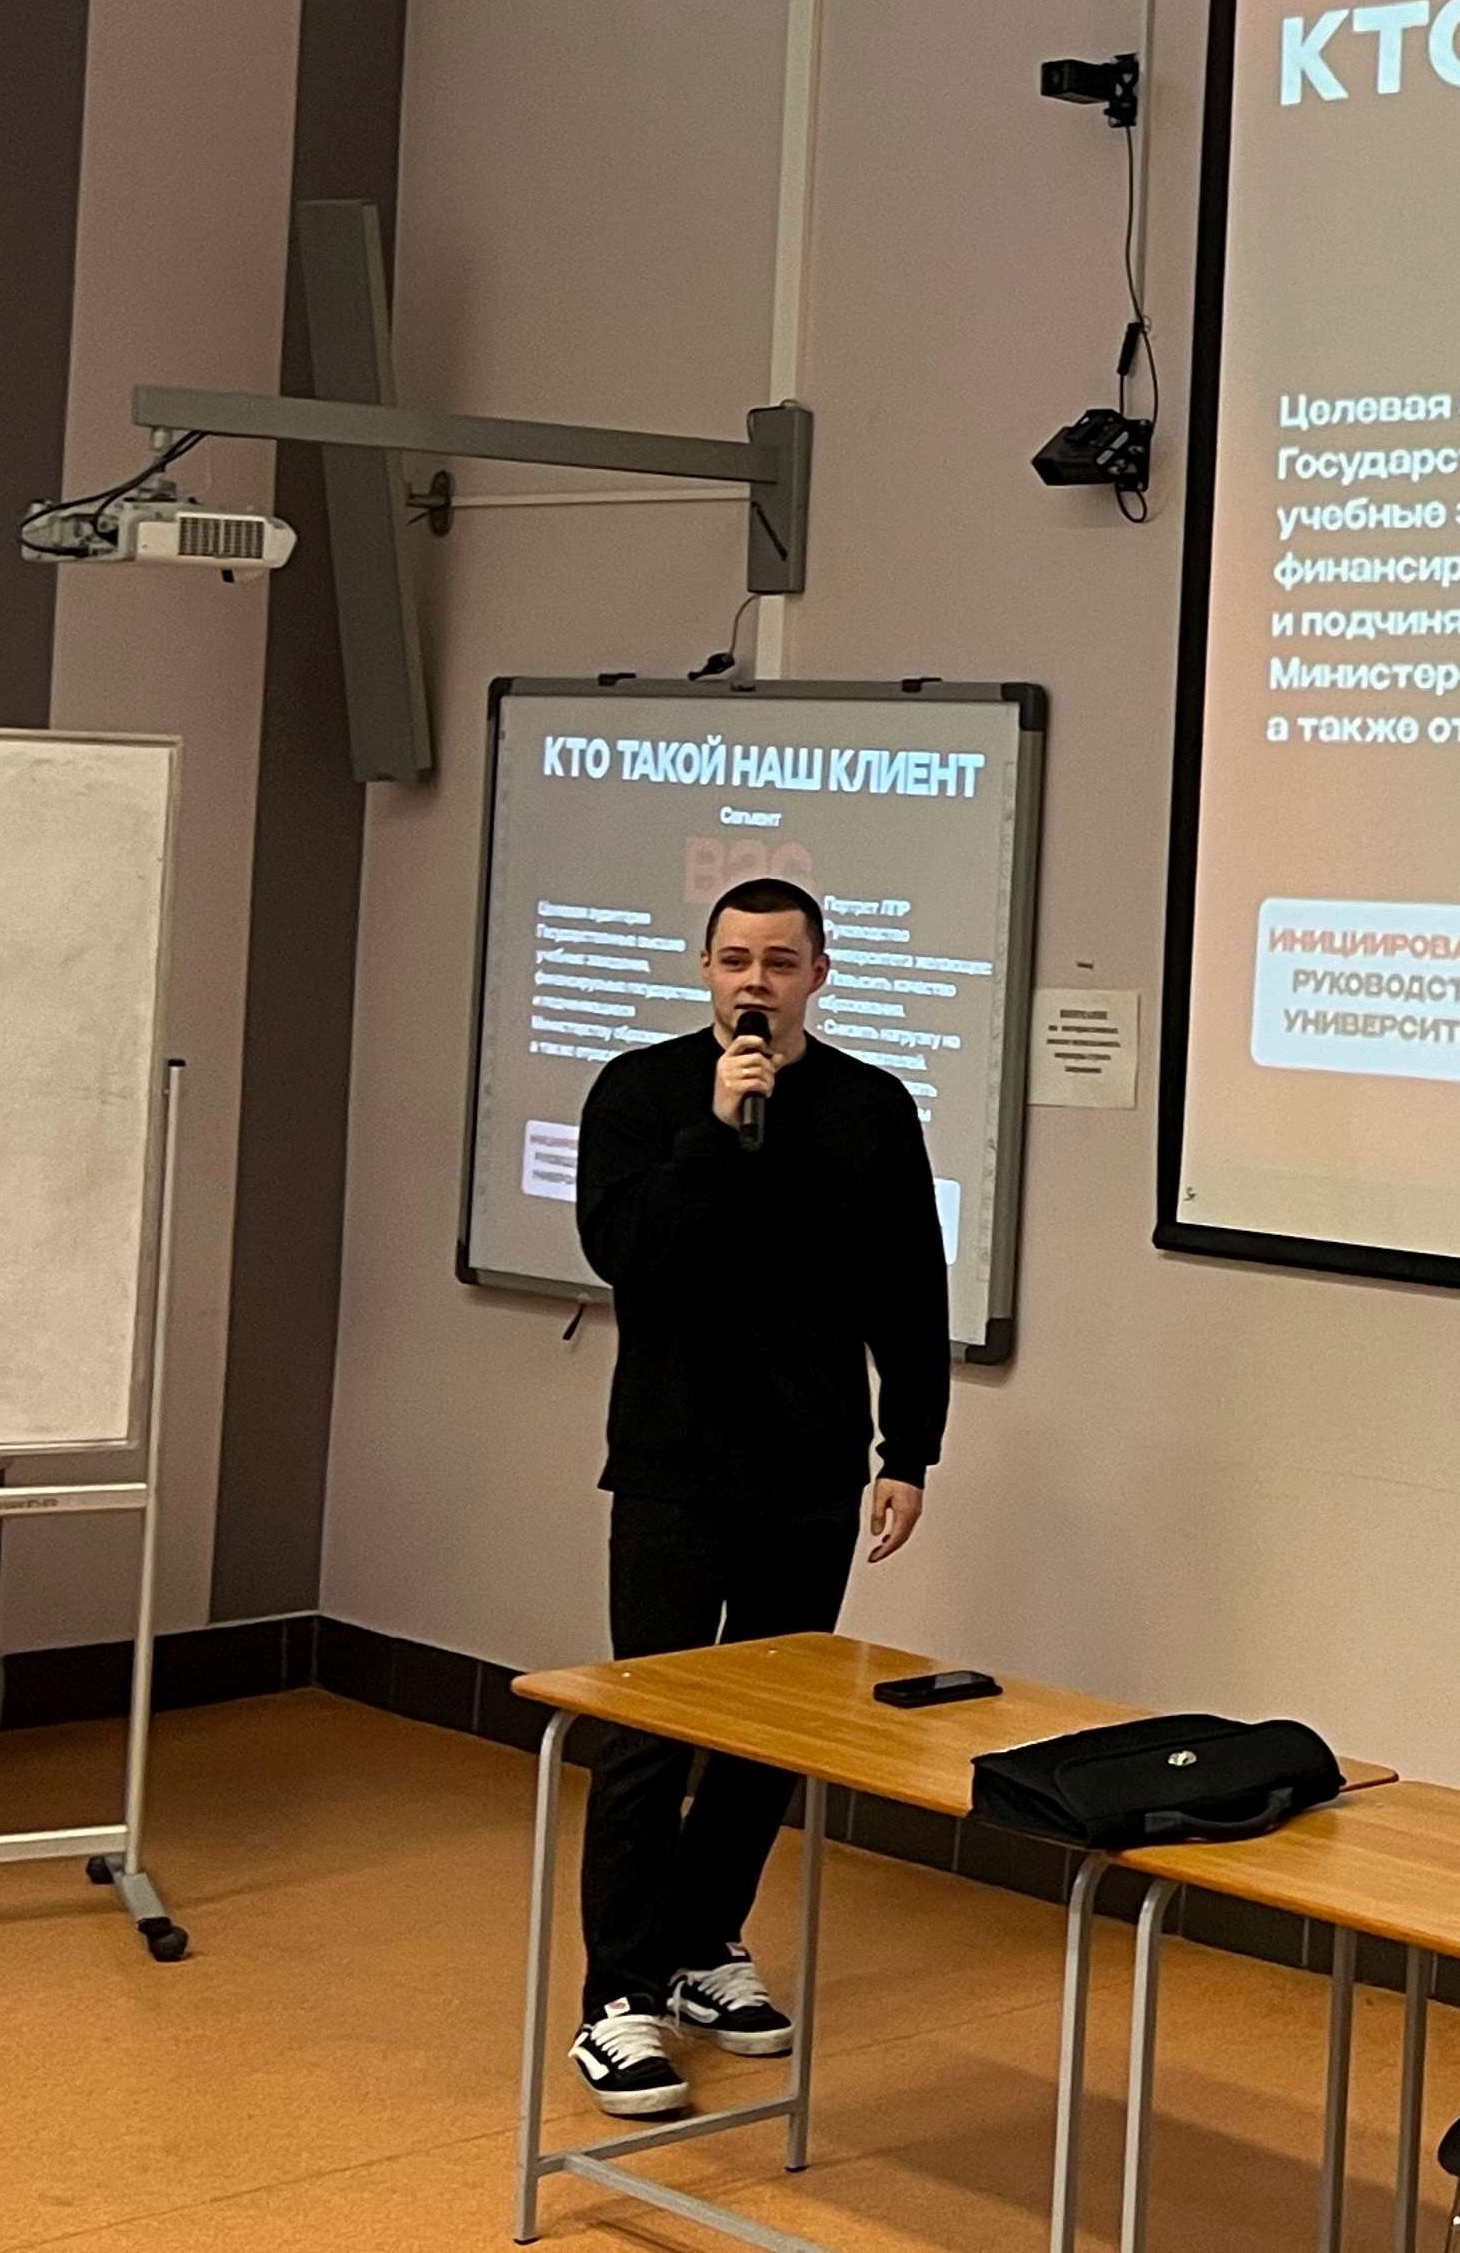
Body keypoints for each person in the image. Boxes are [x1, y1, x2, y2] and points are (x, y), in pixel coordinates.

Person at [561, 877, 953, 2119]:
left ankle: (699, 1945)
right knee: (652, 1730)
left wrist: (910, 1452)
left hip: (811, 1469)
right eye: (736, 960)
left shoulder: (871, 1107)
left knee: (768, 1731)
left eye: (780, 962)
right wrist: (713, 1131)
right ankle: (616, 1999)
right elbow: (627, 1256)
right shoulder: (639, 1093)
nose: (755, 983)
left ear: (819, 975)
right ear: (705, 969)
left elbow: (912, 1291)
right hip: (673, 1466)